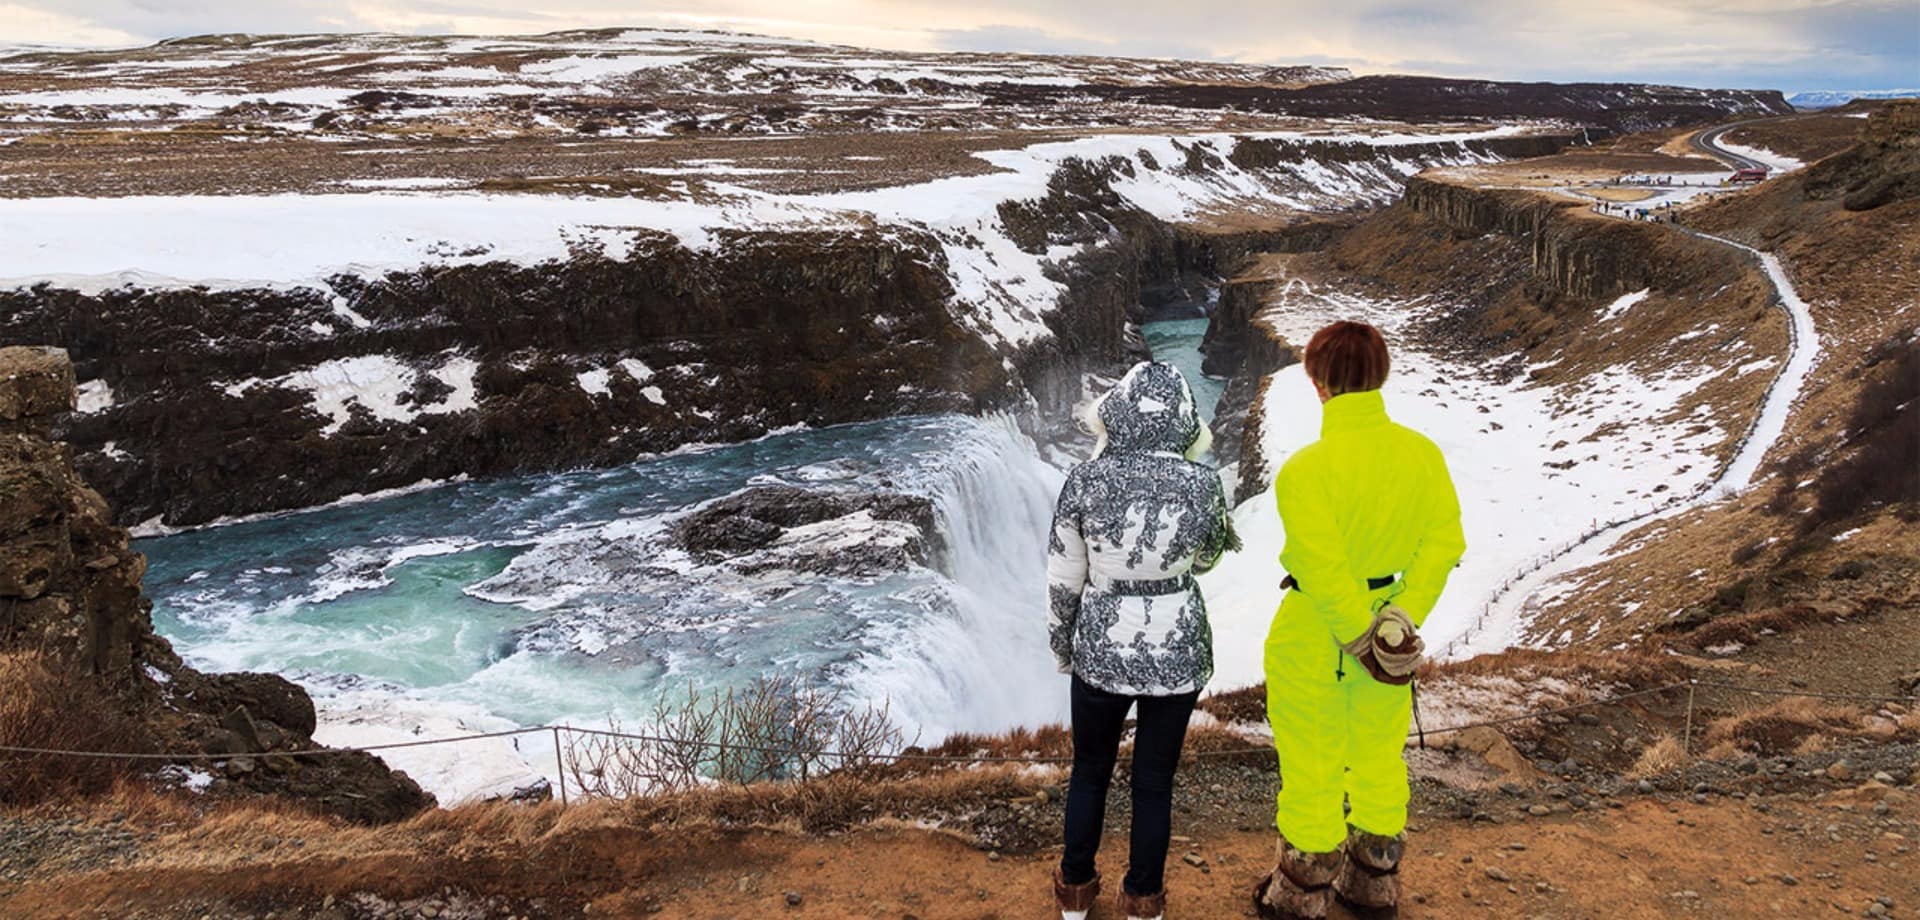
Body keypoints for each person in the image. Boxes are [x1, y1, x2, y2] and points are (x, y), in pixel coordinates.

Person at [1253, 322, 1466, 920]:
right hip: (1390, 634)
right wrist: (1397, 620)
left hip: (1313, 635)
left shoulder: (1306, 471)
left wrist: (1354, 636)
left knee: (1312, 760)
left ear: (1317, 383)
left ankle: (1300, 895)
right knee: (1377, 755)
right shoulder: (1421, 455)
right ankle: (1373, 883)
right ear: (1382, 376)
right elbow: (1444, 543)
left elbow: (1320, 566)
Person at [1047, 360, 1240, 920]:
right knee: (1154, 783)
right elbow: (1205, 558)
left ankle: (1076, 893)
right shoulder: (1204, 483)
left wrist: (1065, 646)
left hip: (1101, 651)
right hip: (1177, 651)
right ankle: (1143, 900)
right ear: (1184, 420)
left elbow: (1063, 577)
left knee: (1090, 770)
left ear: (1117, 414)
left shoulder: (1084, 481)